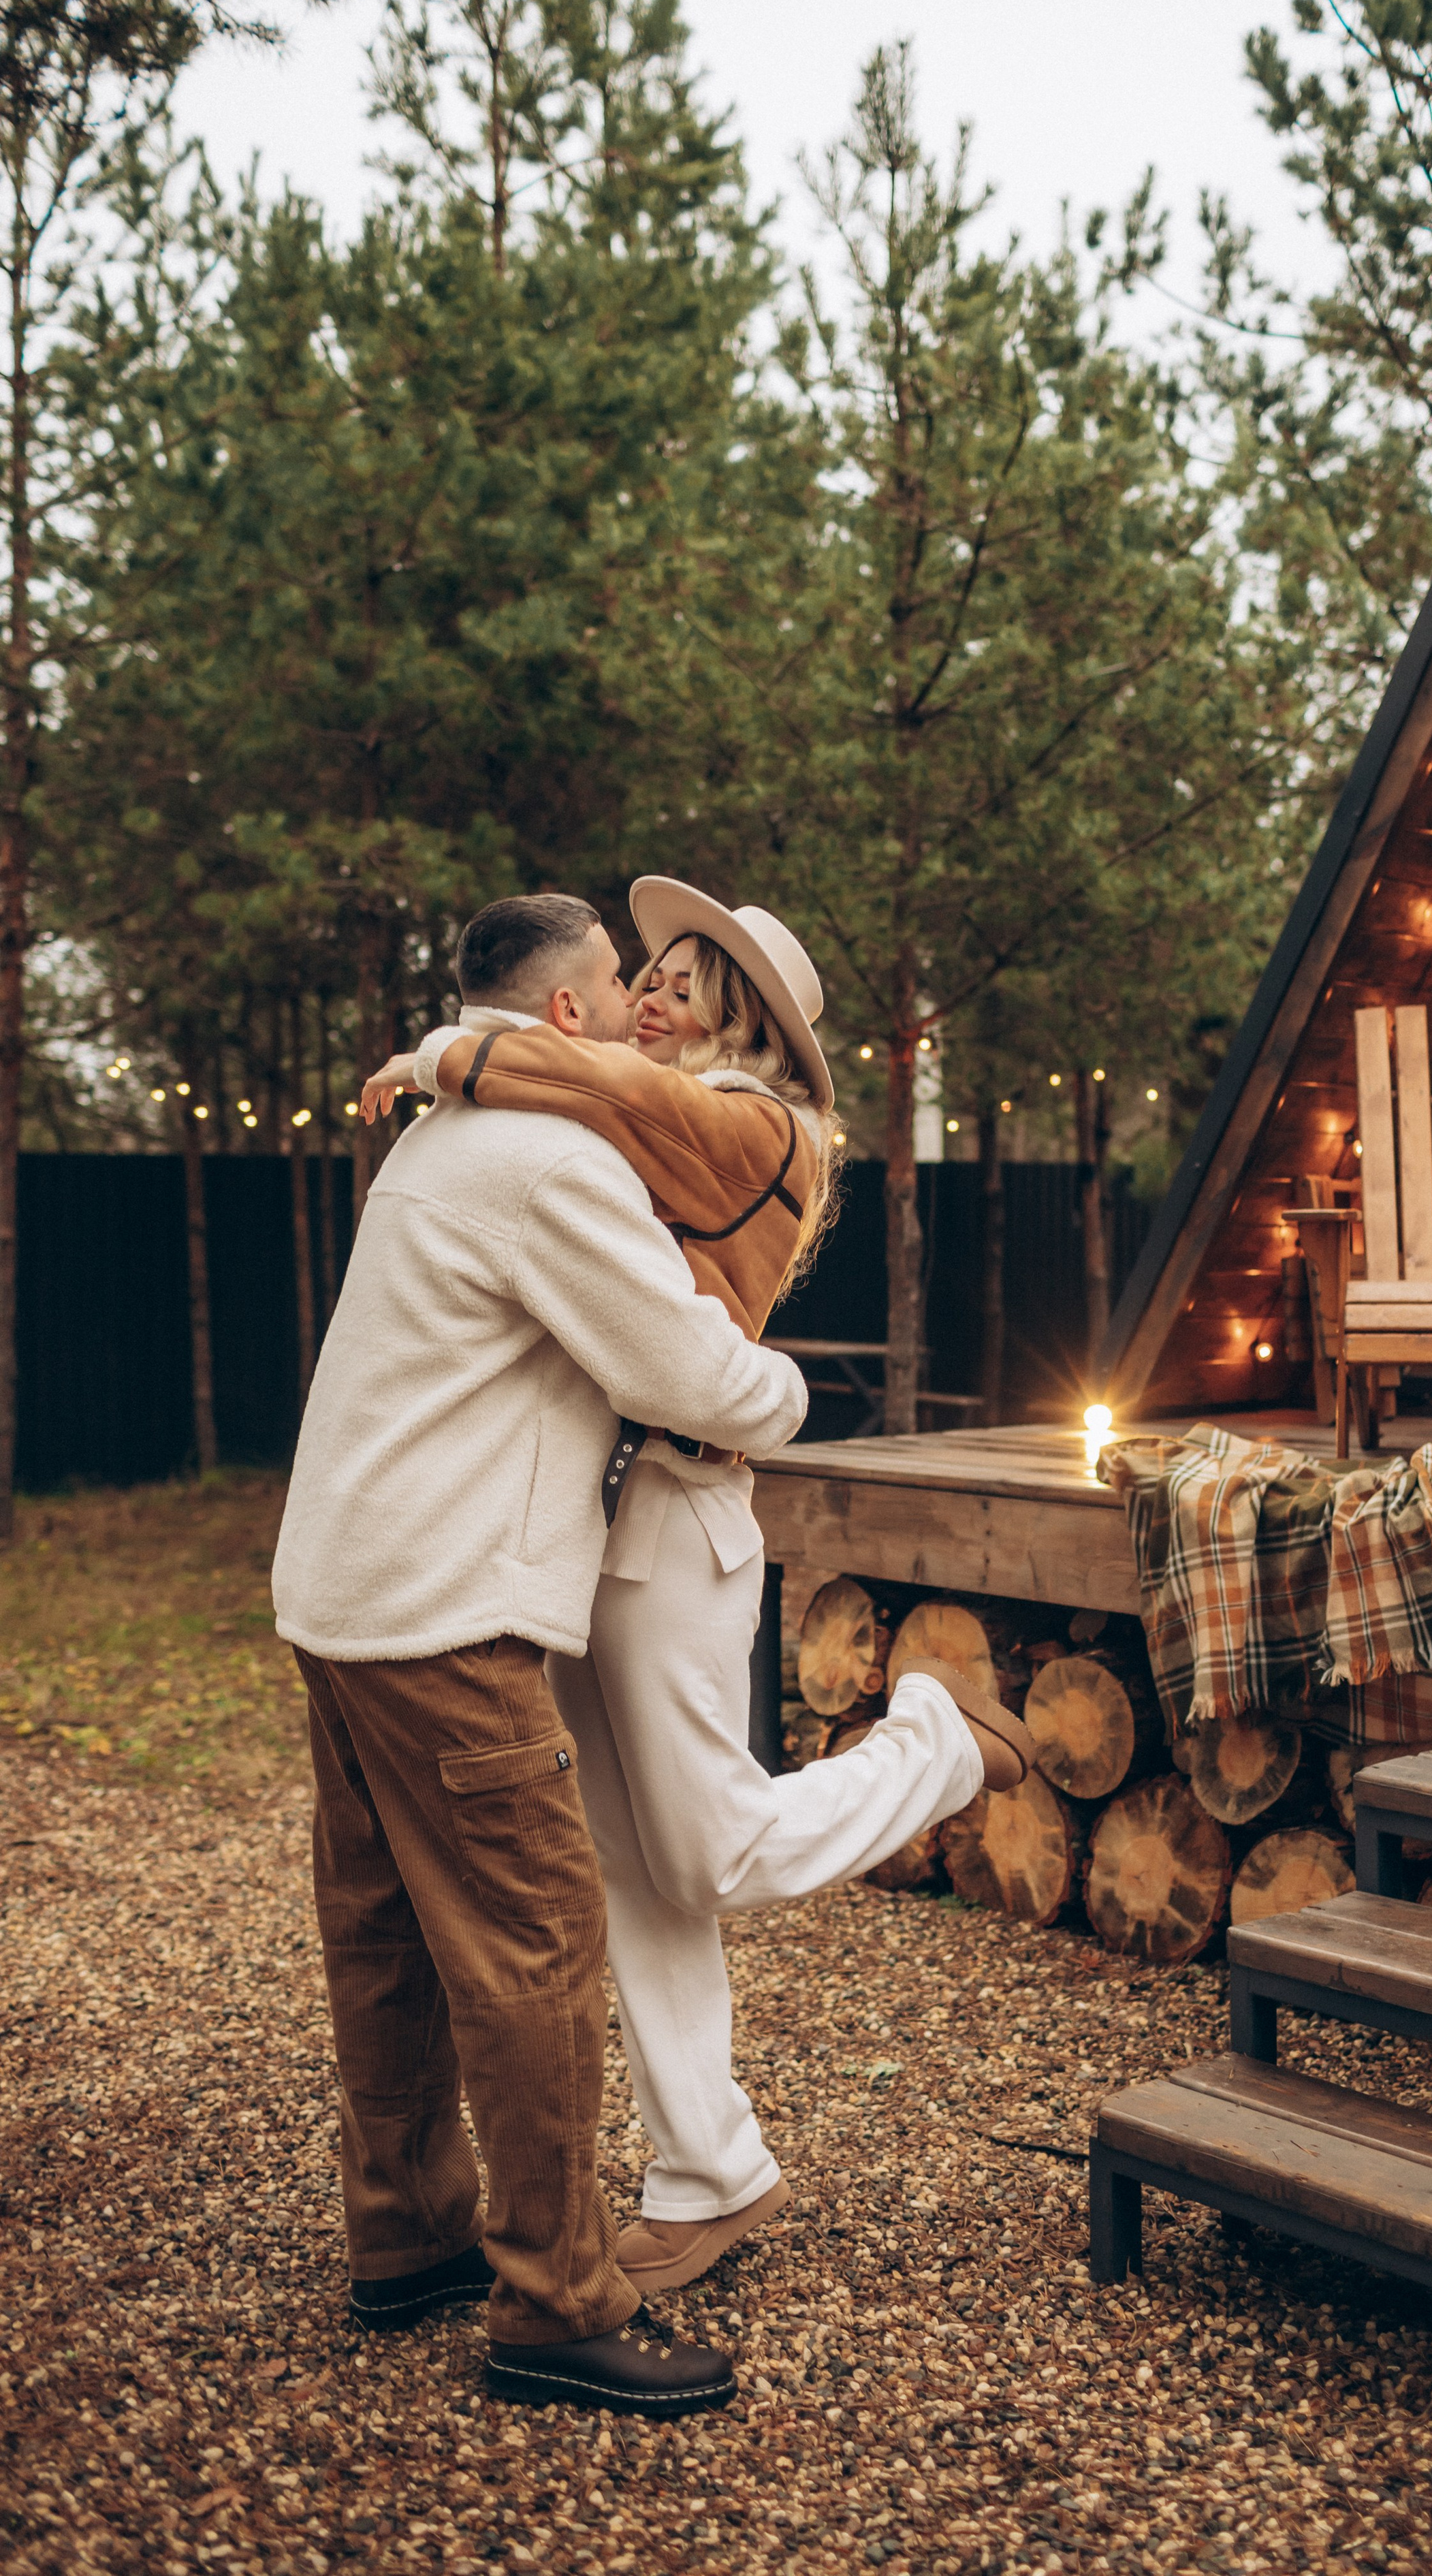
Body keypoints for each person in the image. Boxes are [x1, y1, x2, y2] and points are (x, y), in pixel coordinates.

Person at [362, 877, 1032, 2295]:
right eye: (644, 971)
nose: (649, 993)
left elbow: (560, 1066)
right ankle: (708, 2167)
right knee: (635, 1873)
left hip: (677, 1524)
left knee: (712, 1852)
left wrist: (441, 1054)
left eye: (682, 976)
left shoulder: (757, 1126)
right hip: (579, 1533)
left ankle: (936, 1746)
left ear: (742, 1015)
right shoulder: (637, 1116)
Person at [273, 891, 815, 2417]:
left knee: (385, 1937)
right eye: (619, 985)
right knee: (535, 1948)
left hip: (339, 1590)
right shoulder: (555, 1164)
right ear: (568, 1019)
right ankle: (556, 2306)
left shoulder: (441, 1138)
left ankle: (409, 2235)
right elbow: (687, 1372)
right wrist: (785, 1395)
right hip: (446, 1610)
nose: (642, 1004)